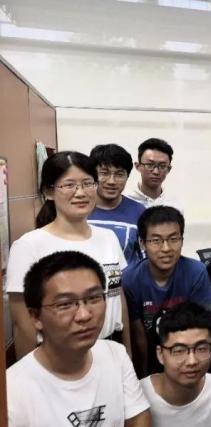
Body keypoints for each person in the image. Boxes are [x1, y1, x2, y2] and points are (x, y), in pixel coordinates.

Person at [7, 151, 131, 360]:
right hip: (59, 356)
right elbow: (22, 324)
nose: (80, 193)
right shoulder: (29, 246)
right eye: (69, 185)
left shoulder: (108, 237)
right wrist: (32, 373)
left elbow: (117, 297)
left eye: (87, 183)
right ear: (49, 192)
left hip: (111, 348)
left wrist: (127, 352)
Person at [7, 251, 151, 426]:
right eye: (65, 304)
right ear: (35, 316)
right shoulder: (11, 390)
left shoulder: (115, 354)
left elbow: (139, 419)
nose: (84, 315)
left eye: (93, 298)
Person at [123, 205, 211, 375]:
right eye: (156, 240)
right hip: (150, 355)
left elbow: (200, 327)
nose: (166, 248)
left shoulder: (196, 272)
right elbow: (138, 337)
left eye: (173, 239)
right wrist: (142, 376)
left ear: (182, 240)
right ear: (142, 243)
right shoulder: (130, 279)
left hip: (187, 354)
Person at [141, 301, 211, 427]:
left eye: (201, 348)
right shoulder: (138, 396)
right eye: (179, 350)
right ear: (160, 354)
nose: (192, 361)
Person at [88, 143, 146, 265]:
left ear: (127, 177)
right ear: (92, 175)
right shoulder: (79, 209)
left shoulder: (139, 211)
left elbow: (146, 259)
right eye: (104, 173)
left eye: (119, 174)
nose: (112, 181)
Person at [127, 137, 183, 212]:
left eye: (162, 166)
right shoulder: (125, 201)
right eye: (150, 165)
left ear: (169, 169)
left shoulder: (174, 206)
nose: (156, 172)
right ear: (138, 166)